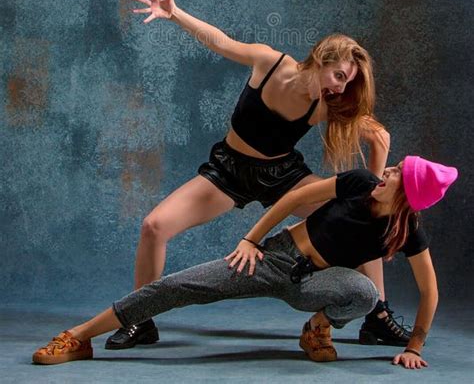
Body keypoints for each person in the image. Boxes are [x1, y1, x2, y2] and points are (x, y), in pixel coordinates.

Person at [106, 0, 395, 349]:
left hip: (284, 177)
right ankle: (139, 320)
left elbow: (379, 137)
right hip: (229, 172)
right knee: (154, 226)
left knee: (365, 216)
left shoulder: (325, 105)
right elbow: (220, 41)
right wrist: (175, 13)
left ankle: (378, 316)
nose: (339, 88)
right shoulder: (269, 61)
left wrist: (375, 192)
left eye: (347, 82)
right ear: (321, 59)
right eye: (338, 75)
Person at [32, 156, 457, 370]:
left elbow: (429, 290)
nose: (387, 169)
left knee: (365, 294)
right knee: (177, 287)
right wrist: (250, 239)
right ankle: (79, 337)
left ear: (409, 193)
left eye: (399, 171)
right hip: (273, 259)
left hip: (313, 286)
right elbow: (294, 198)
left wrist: (414, 347)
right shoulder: (359, 183)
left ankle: (317, 330)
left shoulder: (406, 232)